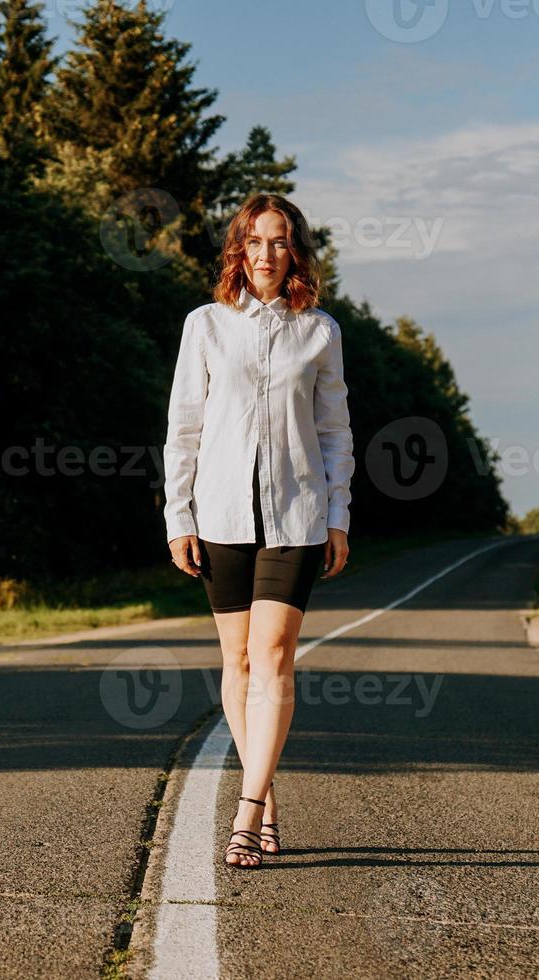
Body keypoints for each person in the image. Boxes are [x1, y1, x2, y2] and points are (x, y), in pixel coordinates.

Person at [162, 193, 354, 869]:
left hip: (297, 516)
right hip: (219, 514)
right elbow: (183, 427)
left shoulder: (320, 332)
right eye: (255, 241)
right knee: (238, 662)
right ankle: (264, 791)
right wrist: (177, 516)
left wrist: (338, 515)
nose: (267, 254)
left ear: (294, 251)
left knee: (274, 656)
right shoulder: (206, 326)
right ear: (238, 251)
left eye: (280, 242)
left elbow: (335, 433)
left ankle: (245, 810)